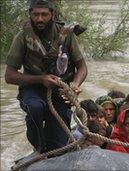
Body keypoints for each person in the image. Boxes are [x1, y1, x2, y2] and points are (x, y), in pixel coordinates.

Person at [4, 0, 87, 153]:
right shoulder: (22, 37)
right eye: (36, 14)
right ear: (30, 14)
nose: (40, 19)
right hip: (32, 88)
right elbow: (9, 76)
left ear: (52, 15)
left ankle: (55, 146)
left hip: (60, 90)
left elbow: (82, 67)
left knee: (59, 145)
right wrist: (40, 79)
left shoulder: (66, 34)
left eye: (44, 14)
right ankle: (39, 148)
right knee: (35, 107)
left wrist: (75, 84)